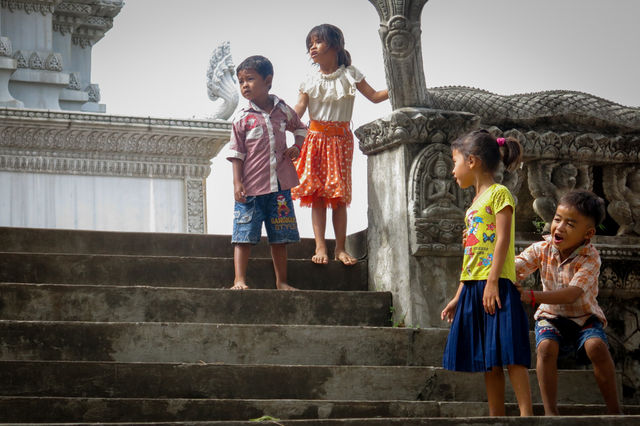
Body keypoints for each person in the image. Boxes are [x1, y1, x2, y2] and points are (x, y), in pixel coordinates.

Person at [441, 129, 533, 416]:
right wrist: (460, 294)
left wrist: (493, 281)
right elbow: (470, 257)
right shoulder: (471, 208)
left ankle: (527, 416)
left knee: (511, 355)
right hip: (474, 287)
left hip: (498, 284)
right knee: (488, 359)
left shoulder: (499, 193)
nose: (452, 171)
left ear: (472, 161)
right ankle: (497, 417)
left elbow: (504, 240)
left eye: (454, 162)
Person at [516, 190, 623, 415]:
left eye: (570, 224)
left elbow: (572, 293)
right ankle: (550, 413)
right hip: (551, 317)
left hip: (584, 318)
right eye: (557, 219)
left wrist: (531, 296)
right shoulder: (542, 249)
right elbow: (517, 265)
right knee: (545, 348)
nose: (560, 227)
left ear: (588, 233)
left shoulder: (590, 257)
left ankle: (615, 412)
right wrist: (499, 268)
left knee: (597, 347)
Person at [292, 23, 388, 265]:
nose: (312, 47)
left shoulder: (350, 74)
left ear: (335, 45)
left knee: (338, 195)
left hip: (340, 142)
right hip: (315, 139)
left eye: (318, 42)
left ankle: (340, 249)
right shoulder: (309, 79)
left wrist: (400, 87)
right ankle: (321, 247)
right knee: (317, 196)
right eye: (310, 44)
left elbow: (375, 96)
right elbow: (299, 110)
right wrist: (278, 119)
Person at [226, 55, 307, 290]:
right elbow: (236, 153)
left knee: (280, 237)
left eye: (250, 79)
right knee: (243, 235)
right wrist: (237, 183)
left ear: (268, 80)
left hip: (280, 187)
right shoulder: (242, 118)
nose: (244, 85)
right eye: (241, 81)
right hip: (251, 188)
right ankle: (239, 279)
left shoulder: (282, 110)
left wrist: (296, 148)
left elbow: (301, 129)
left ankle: (281, 281)